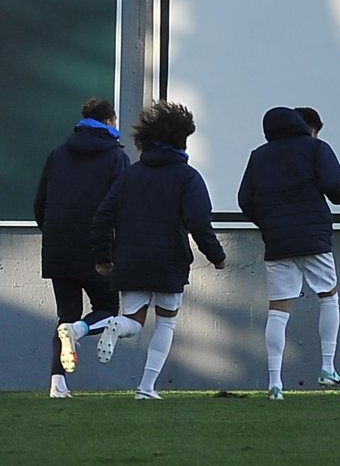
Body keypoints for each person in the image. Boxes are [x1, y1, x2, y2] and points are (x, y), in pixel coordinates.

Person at [91, 101, 226, 400]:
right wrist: (217, 256)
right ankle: (146, 388)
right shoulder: (188, 177)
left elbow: (103, 216)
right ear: (181, 139)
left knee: (133, 322)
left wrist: (103, 257)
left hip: (130, 259)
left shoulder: (130, 174)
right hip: (169, 261)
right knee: (166, 321)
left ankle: (116, 324)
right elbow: (199, 223)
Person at [238, 106, 340, 400]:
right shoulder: (316, 148)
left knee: (278, 308)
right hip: (313, 235)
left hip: (277, 240)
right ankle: (327, 367)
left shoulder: (258, 155)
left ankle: (274, 382)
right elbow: (334, 190)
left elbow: (244, 199)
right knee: (329, 295)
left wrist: (268, 220)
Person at [34, 98, 130, 398]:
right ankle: (78, 332)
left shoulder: (57, 154)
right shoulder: (116, 158)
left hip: (58, 246)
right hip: (97, 249)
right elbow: (122, 207)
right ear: (110, 121)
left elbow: (40, 203)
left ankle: (57, 384)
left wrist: (53, 234)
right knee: (108, 309)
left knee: (66, 315)